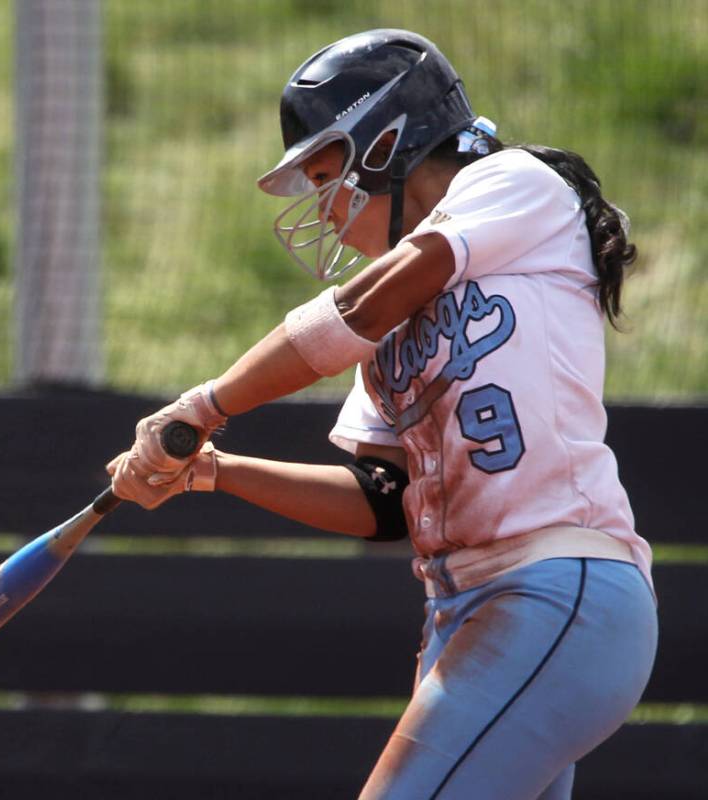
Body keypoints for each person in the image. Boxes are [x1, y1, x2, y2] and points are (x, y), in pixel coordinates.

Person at [106, 28, 657, 800]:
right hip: (464, 616)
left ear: (387, 142)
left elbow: (364, 305)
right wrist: (214, 471)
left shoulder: (514, 184)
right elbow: (381, 501)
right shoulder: (390, 317)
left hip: (556, 586)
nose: (325, 210)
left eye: (327, 174)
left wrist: (205, 405)